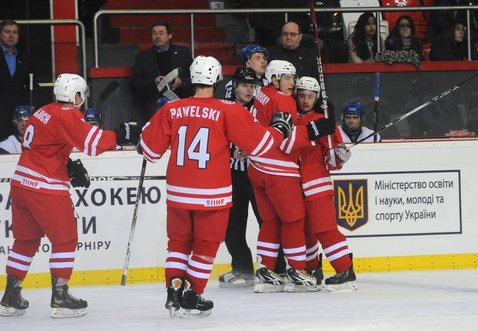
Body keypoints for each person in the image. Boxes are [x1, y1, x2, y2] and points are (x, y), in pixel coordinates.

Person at [138, 55, 295, 318]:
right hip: (212, 194)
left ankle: (174, 287)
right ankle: (194, 295)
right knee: (204, 246)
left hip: (178, 192)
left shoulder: (170, 109)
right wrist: (280, 129)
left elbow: (149, 153)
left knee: (177, 244)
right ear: (219, 79)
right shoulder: (228, 110)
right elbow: (260, 147)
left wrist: (144, 130)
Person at [0, 73, 140, 318]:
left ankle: (11, 295)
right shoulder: (67, 114)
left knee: (25, 240)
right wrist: (122, 133)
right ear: (75, 95)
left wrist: (65, 165)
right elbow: (93, 143)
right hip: (45, 187)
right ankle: (61, 296)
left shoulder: (43, 111)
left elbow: (42, 147)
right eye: (81, 94)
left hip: (21, 184)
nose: (82, 99)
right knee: (65, 240)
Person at [248, 60, 335, 293]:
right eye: (288, 78)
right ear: (274, 78)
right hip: (278, 169)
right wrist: (315, 129)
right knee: (294, 219)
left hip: (256, 166)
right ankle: (297, 271)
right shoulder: (283, 100)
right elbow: (286, 142)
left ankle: (265, 271)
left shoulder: (261, 93)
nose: (292, 83)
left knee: (271, 221)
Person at [294, 76, 357, 292]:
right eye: (302, 95)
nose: (305, 100)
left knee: (325, 229)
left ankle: (344, 269)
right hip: (294, 187)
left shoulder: (324, 121)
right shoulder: (290, 118)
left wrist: (340, 155)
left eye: (310, 96)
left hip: (317, 184)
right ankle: (312, 270)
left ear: (317, 98)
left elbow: (333, 161)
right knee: (305, 232)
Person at [218, 67, 262, 288]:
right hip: (232, 174)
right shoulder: (222, 108)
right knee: (232, 226)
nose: (249, 89)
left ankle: (273, 268)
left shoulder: (261, 109)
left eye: (252, 85)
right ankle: (243, 269)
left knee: (267, 222)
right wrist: (229, 152)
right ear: (234, 86)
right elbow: (214, 139)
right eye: (244, 85)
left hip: (257, 174)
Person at [130, 21, 193, 127]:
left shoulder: (184, 53)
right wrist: (153, 83)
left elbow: (194, 78)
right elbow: (134, 84)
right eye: (154, 33)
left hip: (181, 104)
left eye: (161, 33)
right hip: (154, 107)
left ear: (170, 35)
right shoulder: (142, 58)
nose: (157, 36)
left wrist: (181, 82)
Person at [0, 19, 37, 141]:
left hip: (19, 116)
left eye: (15, 32)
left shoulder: (25, 58)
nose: (11, 35)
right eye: (7, 32)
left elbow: (34, 85)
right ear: (1, 34)